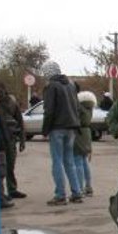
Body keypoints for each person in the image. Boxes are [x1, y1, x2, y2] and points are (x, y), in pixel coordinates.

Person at [41, 61, 83, 206]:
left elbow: (49, 110)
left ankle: (60, 195)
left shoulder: (52, 86)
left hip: (57, 127)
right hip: (72, 127)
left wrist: (45, 129)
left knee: (57, 161)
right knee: (69, 161)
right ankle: (77, 193)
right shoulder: (70, 85)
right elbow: (77, 107)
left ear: (48, 73)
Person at [0, 83, 27, 199]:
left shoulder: (11, 102)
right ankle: (0, 193)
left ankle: (12, 189)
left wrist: (22, 140)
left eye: (0, 90)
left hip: (11, 138)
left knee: (10, 165)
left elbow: (19, 120)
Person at [74, 91, 96, 196]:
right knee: (84, 162)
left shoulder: (79, 109)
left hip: (78, 135)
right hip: (86, 134)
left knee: (78, 162)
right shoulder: (89, 108)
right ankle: (88, 186)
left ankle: (80, 187)